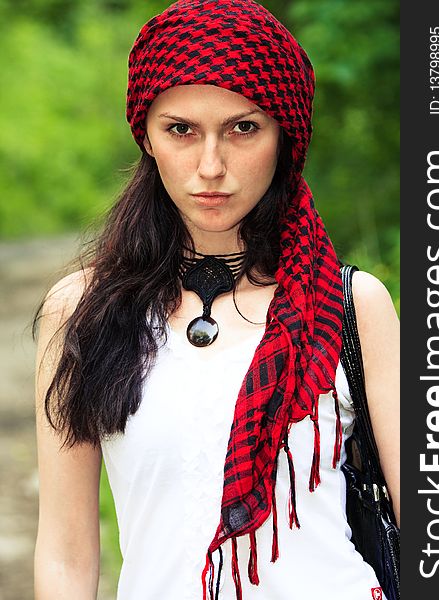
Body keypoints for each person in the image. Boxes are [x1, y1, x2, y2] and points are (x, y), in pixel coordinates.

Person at [33, 1, 400, 599]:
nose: (211, 166)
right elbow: (66, 557)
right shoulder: (82, 311)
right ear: (147, 137)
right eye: (181, 130)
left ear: (286, 135)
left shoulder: (352, 303)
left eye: (243, 128)